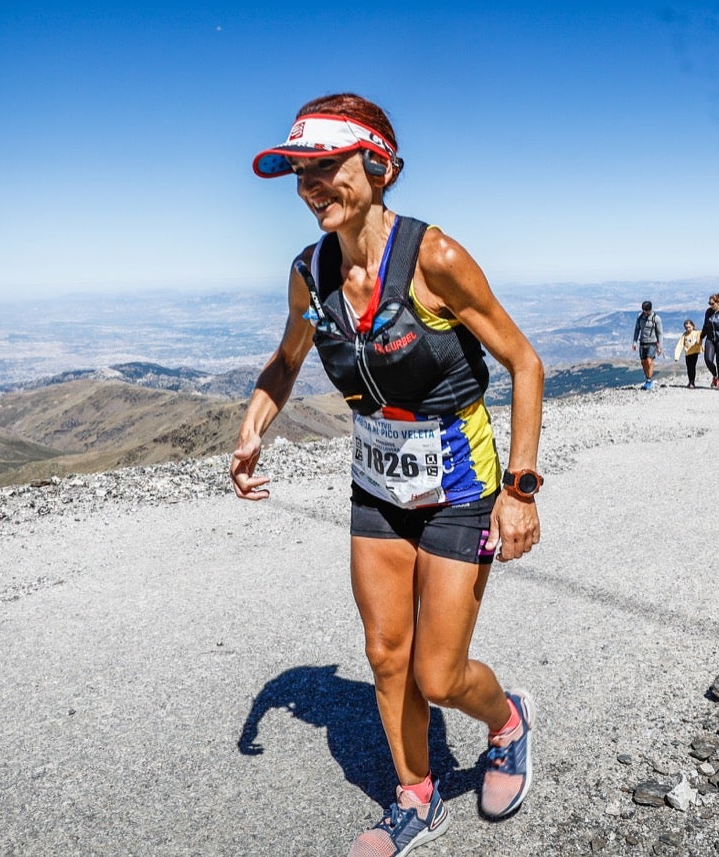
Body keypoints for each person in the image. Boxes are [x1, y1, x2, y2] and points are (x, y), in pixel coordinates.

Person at [230, 94, 545, 856]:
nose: (311, 185)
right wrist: (253, 427)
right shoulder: (310, 273)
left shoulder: (434, 258)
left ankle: (507, 722)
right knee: (385, 655)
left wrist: (521, 489)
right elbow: (288, 358)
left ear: (378, 167)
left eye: (326, 166)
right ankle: (416, 796)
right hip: (377, 481)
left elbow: (524, 362)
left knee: (437, 677)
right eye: (299, 172)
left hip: (462, 486)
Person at [632, 300, 662, 390]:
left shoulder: (656, 319)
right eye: (643, 310)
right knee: (643, 362)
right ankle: (647, 379)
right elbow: (637, 329)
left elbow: (660, 333)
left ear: (650, 309)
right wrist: (634, 342)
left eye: (646, 311)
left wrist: (660, 347)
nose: (645, 312)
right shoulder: (640, 317)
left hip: (652, 342)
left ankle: (649, 380)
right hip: (642, 342)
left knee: (649, 361)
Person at [674, 319, 704, 388]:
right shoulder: (685, 335)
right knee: (688, 368)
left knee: (692, 367)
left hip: (694, 353)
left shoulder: (697, 333)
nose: (688, 329)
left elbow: (700, 338)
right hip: (687, 353)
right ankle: (690, 381)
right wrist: (676, 356)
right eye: (686, 327)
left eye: (689, 327)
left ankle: (692, 382)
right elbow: (680, 345)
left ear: (693, 326)